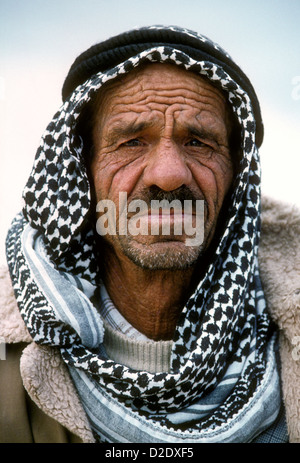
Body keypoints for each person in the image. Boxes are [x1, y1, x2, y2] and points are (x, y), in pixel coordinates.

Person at [0, 25, 299, 444]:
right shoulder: (7, 365)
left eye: (199, 142)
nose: (168, 175)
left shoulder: (291, 339)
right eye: (131, 142)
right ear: (82, 171)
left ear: (236, 177)